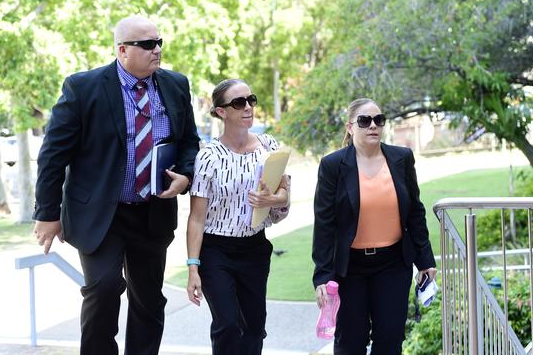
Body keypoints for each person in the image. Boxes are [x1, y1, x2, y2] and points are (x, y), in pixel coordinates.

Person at [32, 15, 200, 355]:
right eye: (148, 44)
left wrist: (185, 174)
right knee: (104, 288)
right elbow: (52, 155)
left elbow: (189, 142)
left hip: (152, 212)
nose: (157, 50)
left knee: (149, 298)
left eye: (159, 42)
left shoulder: (176, 85)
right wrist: (47, 213)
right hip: (98, 214)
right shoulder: (82, 88)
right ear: (122, 50)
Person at [312, 98, 437, 354]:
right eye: (364, 121)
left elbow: (415, 211)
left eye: (378, 120)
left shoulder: (401, 158)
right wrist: (323, 276)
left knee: (390, 341)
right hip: (350, 269)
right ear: (350, 127)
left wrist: (425, 260)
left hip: (393, 264)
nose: (373, 126)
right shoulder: (333, 165)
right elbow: (325, 224)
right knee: (351, 342)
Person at [185, 79, 290, 355]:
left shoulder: (269, 146)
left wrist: (273, 199)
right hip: (216, 251)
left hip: (254, 248)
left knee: (254, 327)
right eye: (238, 103)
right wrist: (193, 268)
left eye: (250, 100)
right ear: (221, 112)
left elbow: (284, 196)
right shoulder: (208, 156)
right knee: (228, 325)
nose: (248, 107)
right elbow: (197, 217)